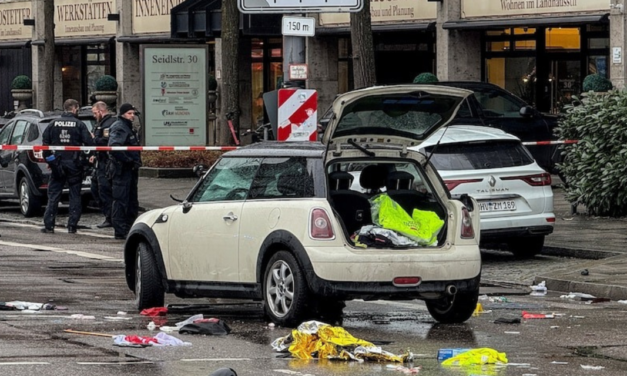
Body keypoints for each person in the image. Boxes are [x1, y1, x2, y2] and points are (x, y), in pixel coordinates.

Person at [41, 99, 94, 234]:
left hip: (57, 163)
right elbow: (90, 144)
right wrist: (87, 160)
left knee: (53, 195)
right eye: (77, 109)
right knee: (75, 195)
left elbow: (45, 147)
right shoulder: (79, 124)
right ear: (74, 108)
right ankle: (72, 225)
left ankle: (49, 225)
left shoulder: (53, 124)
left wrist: (52, 162)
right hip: (74, 164)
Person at [107, 103, 141, 240]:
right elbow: (115, 148)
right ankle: (120, 231)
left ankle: (128, 228)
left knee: (132, 201)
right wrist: (128, 161)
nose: (132, 116)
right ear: (122, 114)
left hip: (129, 170)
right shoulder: (119, 127)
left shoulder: (127, 126)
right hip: (121, 170)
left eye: (133, 113)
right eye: (129, 113)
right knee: (121, 200)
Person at [90, 101, 116, 228]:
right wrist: (94, 154)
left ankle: (111, 217)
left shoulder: (109, 123)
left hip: (106, 162)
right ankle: (108, 215)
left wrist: (93, 139)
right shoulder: (100, 123)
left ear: (100, 111)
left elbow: (106, 142)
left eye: (95, 113)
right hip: (99, 160)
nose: (94, 116)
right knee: (95, 189)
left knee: (104, 190)